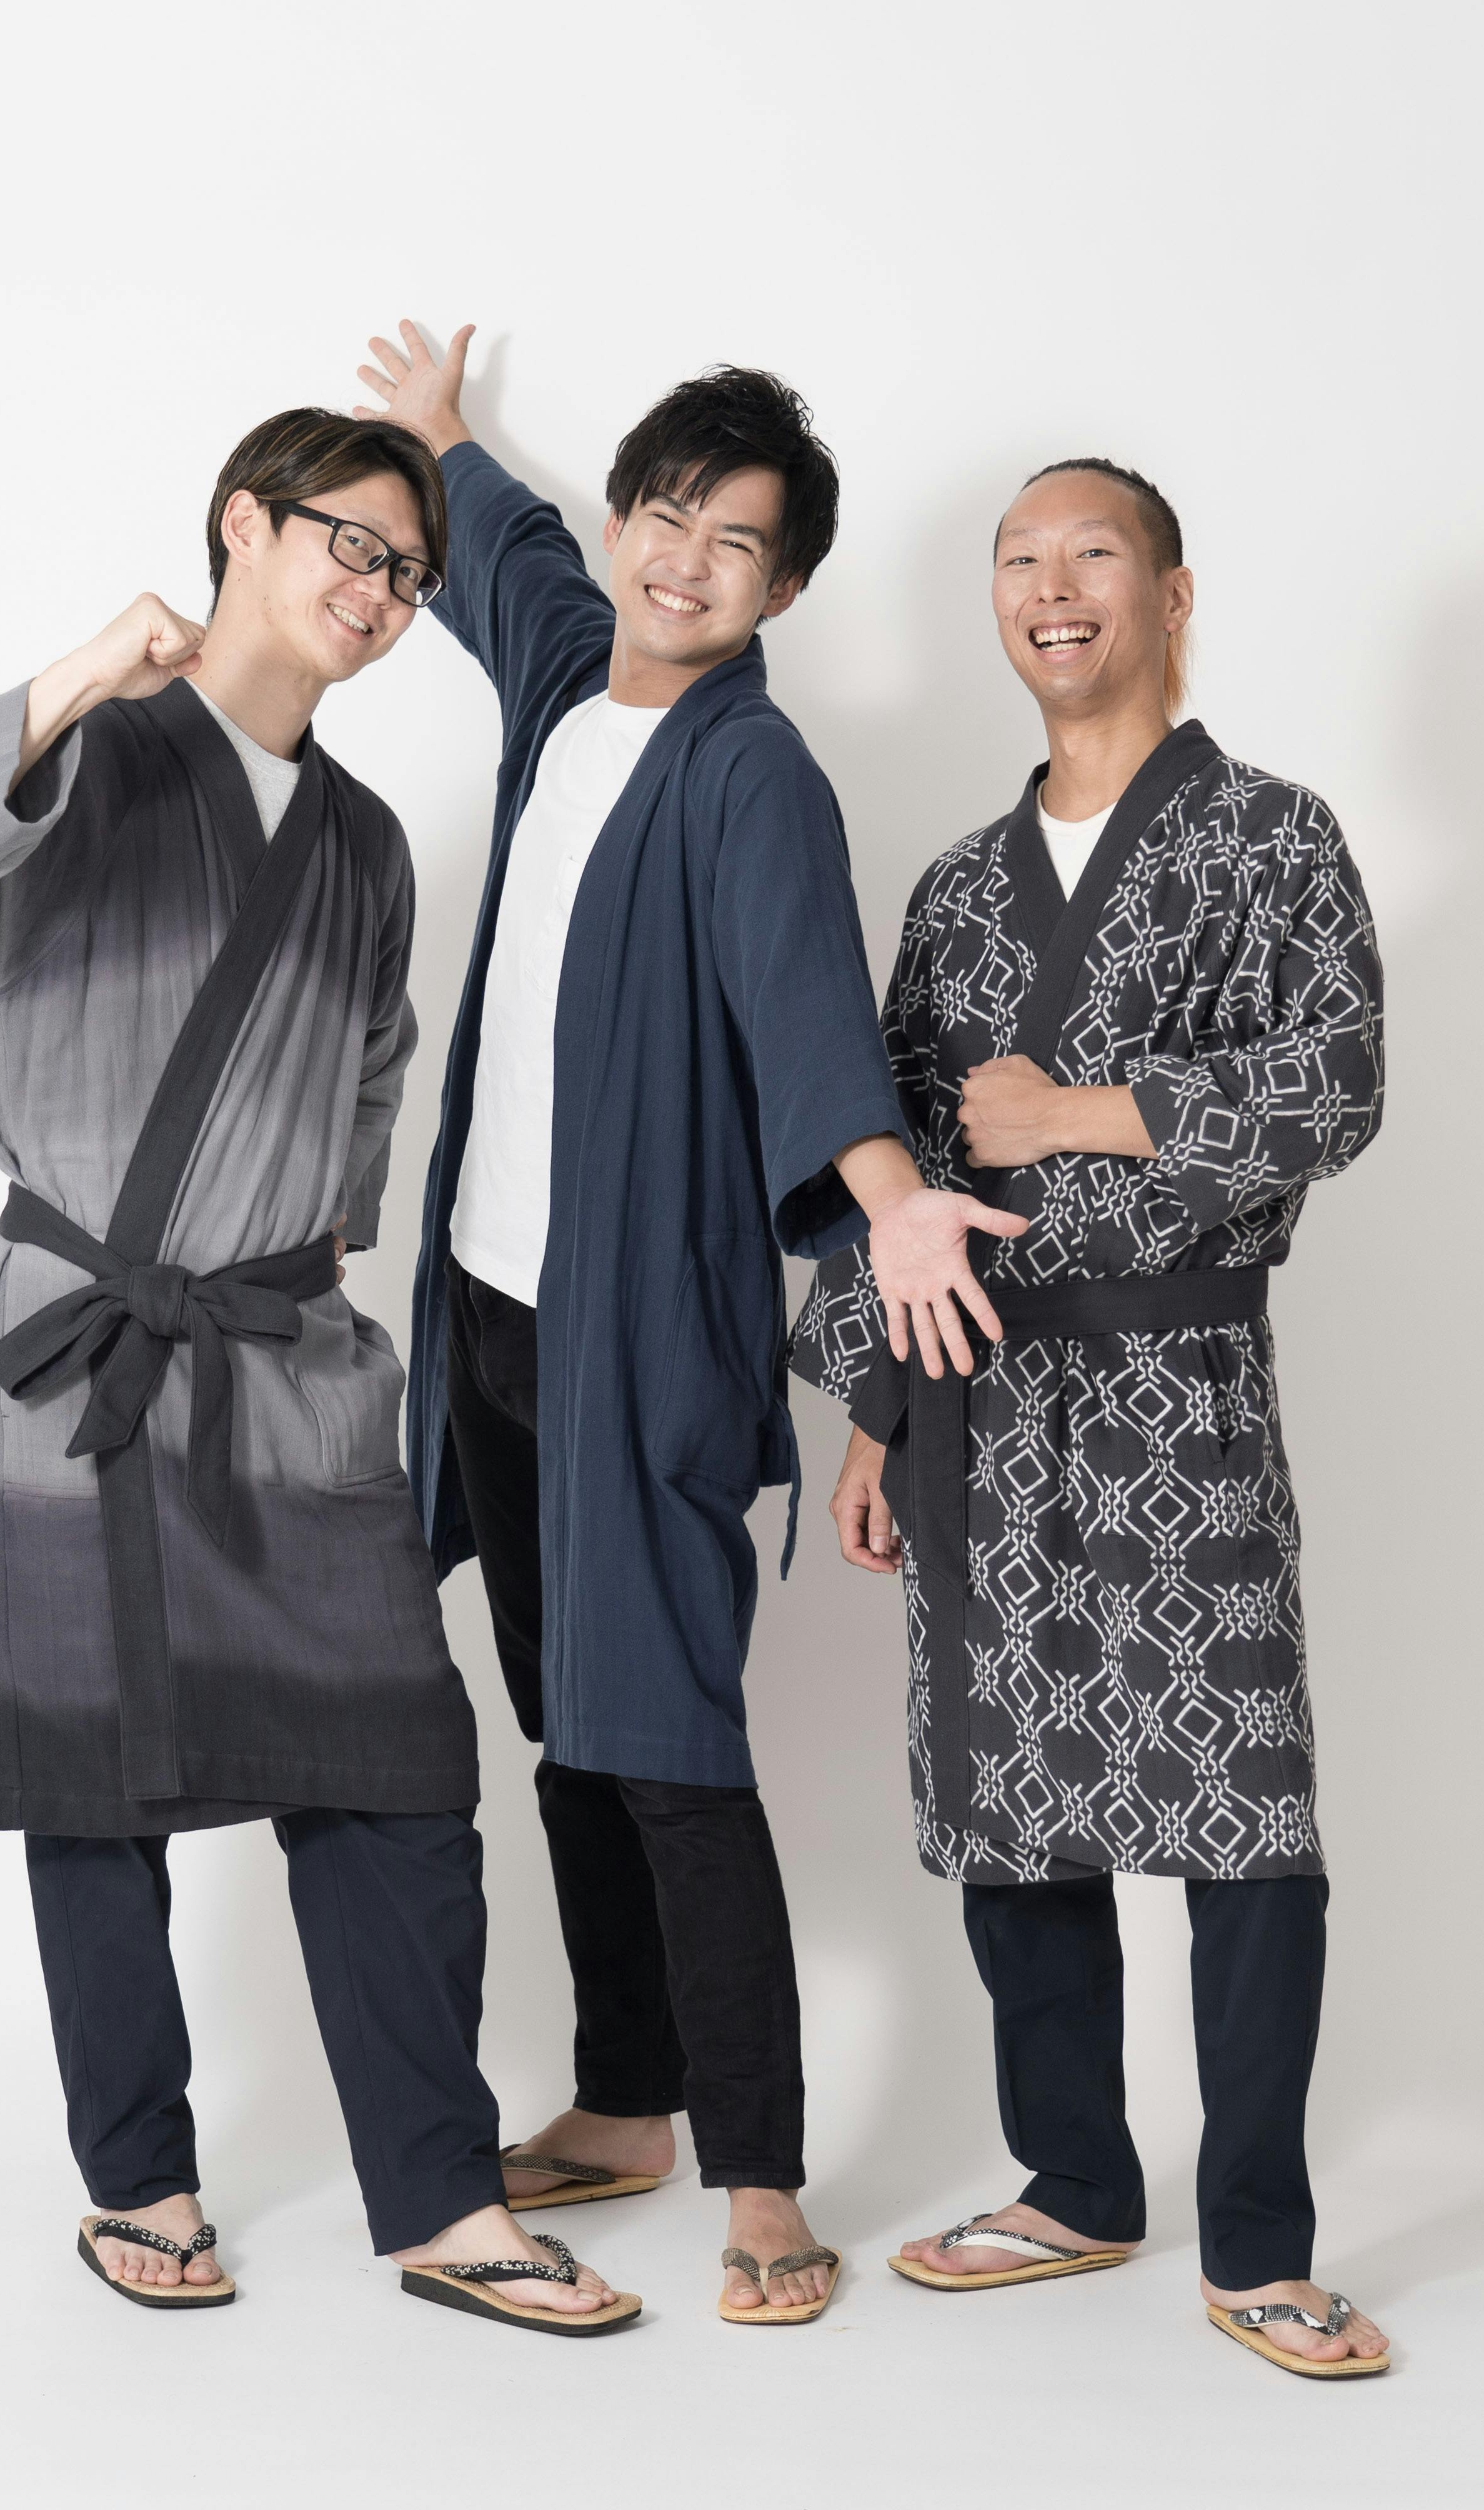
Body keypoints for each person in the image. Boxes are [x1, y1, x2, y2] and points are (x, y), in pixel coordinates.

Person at [0, 406, 637, 2334]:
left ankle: (440, 2200)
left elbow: (369, 1087)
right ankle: (142, 2181)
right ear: (243, 526)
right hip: (69, 1344)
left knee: (395, 1766)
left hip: (279, 1351)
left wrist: (305, 1256)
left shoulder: (363, 843)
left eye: (409, 574)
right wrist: (74, 677)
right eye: (353, 544)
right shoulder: (92, 757)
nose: (380, 593)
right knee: (87, 1784)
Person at [356, 322, 1018, 2323]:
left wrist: (894, 1205)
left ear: (782, 589)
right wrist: (444, 441)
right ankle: (625, 2100)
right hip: (490, 1307)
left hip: (636, 1336)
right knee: (565, 1724)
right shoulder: (570, 676)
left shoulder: (753, 778)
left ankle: (762, 2183)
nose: (683, 559)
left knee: (664, 1748)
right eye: (665, 515)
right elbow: (512, 558)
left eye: (735, 542)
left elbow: (813, 1025)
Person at [795, 456, 1392, 2378]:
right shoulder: (960, 887)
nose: (1052, 590)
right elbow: (883, 1161)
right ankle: (1074, 2182)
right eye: (1018, 562)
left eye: (1092, 555)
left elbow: (1339, 1083)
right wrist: (876, 1410)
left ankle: (1261, 2242)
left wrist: (1086, 1115)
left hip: (1178, 1380)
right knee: (1008, 1803)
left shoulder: (1274, 836)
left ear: (1171, 592)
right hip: (975, 1387)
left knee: (1245, 1807)